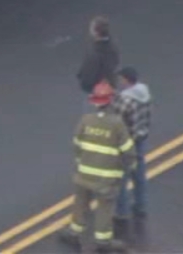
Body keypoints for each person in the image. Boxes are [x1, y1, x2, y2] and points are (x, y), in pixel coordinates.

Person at [60, 81, 133, 252]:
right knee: (105, 208)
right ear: (111, 101)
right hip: (105, 179)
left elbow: (76, 144)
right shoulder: (117, 124)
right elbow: (128, 151)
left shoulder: (86, 120)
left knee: (80, 204)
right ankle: (103, 241)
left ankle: (73, 233)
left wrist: (81, 163)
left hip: (83, 175)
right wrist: (125, 168)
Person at [111, 66, 151, 221]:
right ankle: (140, 205)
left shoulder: (125, 100)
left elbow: (117, 118)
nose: (120, 81)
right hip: (141, 138)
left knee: (121, 177)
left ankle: (121, 211)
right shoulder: (145, 93)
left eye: (121, 78)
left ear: (126, 80)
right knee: (139, 174)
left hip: (127, 142)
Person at [76, 16, 120, 94]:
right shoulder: (112, 46)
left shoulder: (95, 52)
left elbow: (89, 74)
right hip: (110, 84)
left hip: (98, 89)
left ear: (96, 32)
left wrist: (83, 80)